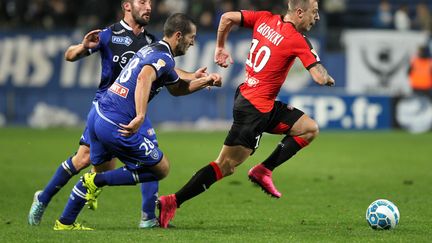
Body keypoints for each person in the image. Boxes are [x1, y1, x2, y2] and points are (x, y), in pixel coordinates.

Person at [28, 0, 207, 229]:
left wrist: (194, 77)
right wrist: (82, 47)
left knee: (152, 154)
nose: (149, 7)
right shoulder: (108, 34)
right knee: (86, 160)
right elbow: (69, 56)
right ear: (127, 6)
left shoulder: (151, 42)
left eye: (150, 2)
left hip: (133, 107)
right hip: (109, 105)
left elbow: (166, 69)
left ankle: (147, 217)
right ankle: (43, 199)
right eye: (143, 2)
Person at [158, 0, 335, 228]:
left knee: (308, 128)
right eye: (315, 12)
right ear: (299, 12)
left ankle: (264, 170)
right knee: (225, 165)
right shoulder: (297, 40)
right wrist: (328, 76)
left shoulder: (264, 18)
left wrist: (220, 46)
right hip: (254, 111)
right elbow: (320, 78)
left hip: (257, 101)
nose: (317, 18)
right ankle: (172, 201)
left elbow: (226, 18)